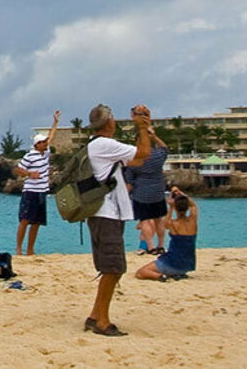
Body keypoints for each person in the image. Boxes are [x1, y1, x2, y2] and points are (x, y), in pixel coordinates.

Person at [83, 103, 152, 337]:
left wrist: (143, 129)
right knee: (113, 268)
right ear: (109, 122)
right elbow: (143, 154)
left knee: (110, 267)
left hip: (103, 213)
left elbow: (138, 160)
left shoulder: (96, 145)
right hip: (107, 213)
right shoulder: (105, 144)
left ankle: (95, 315)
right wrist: (142, 128)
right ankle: (101, 320)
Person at [14, 110, 60, 256]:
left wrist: (55, 123)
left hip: (42, 191)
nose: (46, 143)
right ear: (37, 144)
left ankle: (30, 249)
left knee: (36, 222)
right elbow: (18, 169)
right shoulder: (30, 156)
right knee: (25, 220)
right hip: (30, 191)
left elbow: (52, 137)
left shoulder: (45, 153)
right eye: (43, 142)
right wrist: (29, 174)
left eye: (45, 141)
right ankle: (19, 248)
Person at [135, 186, 197, 281]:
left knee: (140, 272)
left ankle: (162, 276)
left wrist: (171, 207)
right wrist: (181, 193)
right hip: (188, 264)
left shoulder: (172, 223)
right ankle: (176, 274)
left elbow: (164, 223)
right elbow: (193, 205)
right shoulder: (193, 221)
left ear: (175, 208)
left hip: (172, 262)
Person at [125, 127, 170, 256]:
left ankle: (150, 246)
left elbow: (130, 180)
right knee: (158, 220)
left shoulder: (134, 159)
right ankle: (161, 245)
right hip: (157, 191)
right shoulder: (157, 155)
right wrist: (154, 136)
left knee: (144, 220)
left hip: (141, 193)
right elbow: (165, 148)